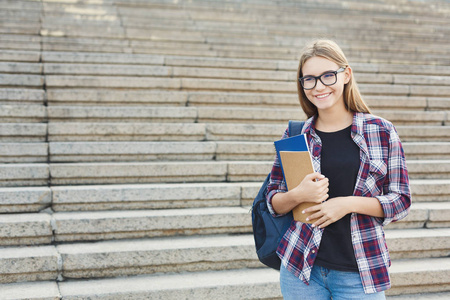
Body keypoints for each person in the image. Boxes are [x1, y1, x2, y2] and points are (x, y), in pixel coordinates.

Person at [266, 39, 411, 299]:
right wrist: (298, 195)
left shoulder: (381, 131)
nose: (318, 86)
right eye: (309, 79)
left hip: (360, 271)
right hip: (300, 269)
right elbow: (273, 201)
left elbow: (401, 200)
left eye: (327, 76)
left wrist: (346, 204)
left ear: (346, 75)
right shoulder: (296, 134)